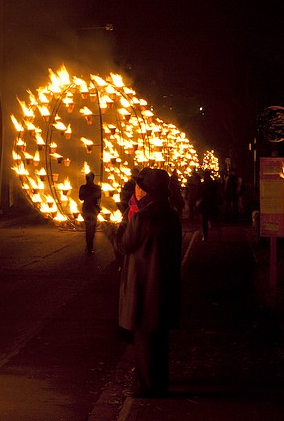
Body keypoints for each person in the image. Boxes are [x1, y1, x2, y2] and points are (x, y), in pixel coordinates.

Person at [111, 167, 181, 397]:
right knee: (160, 338)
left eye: (141, 186)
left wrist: (116, 229)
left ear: (149, 191)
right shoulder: (171, 216)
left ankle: (146, 386)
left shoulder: (142, 217)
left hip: (144, 286)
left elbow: (125, 245)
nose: (137, 190)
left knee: (143, 339)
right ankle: (159, 382)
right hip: (165, 285)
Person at [78, 172, 102, 254]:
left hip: (86, 209)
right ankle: (90, 246)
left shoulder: (83, 188)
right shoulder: (97, 188)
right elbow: (99, 197)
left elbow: (81, 198)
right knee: (92, 227)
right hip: (93, 209)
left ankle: (89, 246)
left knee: (88, 227)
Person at [198, 170, 222, 239]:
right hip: (213, 203)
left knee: (204, 220)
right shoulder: (214, 183)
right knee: (215, 219)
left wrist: (199, 201)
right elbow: (218, 192)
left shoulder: (203, 184)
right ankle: (218, 234)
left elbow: (200, 194)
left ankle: (205, 235)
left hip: (206, 204)